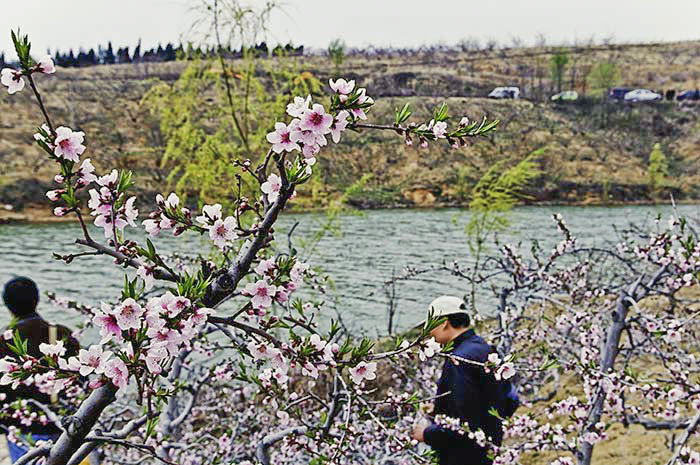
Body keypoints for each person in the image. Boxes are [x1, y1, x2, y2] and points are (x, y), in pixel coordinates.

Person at [411, 296, 518, 465]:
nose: (428, 333)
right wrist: (442, 407)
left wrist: (426, 434)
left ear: (444, 323)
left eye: (430, 326)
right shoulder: (484, 348)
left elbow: (466, 422)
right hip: (487, 449)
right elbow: (510, 400)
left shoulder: (458, 360)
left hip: (463, 456)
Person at [0, 277, 80, 463]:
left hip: (20, 425)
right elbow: (80, 378)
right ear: (36, 300)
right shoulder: (61, 334)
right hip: (61, 424)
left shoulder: (3, 341)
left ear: (7, 304)